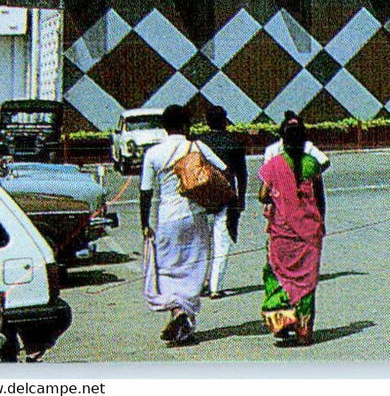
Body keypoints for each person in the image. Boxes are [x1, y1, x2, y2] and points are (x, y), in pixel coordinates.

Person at [139, 104, 229, 346]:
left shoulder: (153, 154)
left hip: (167, 218)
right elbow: (223, 169)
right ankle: (185, 318)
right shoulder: (197, 147)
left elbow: (145, 192)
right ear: (186, 124)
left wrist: (144, 223)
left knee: (170, 268)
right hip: (195, 215)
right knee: (193, 267)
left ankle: (178, 314)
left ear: (164, 127)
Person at [258, 115, 326, 346]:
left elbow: (261, 195)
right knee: (306, 281)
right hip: (309, 231)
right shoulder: (312, 164)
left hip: (281, 232)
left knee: (277, 275)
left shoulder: (273, 166)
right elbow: (320, 198)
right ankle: (304, 330)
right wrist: (320, 224)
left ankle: (281, 323)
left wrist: (280, 194)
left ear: (283, 141)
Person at [197, 105, 247, 299]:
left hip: (201, 197)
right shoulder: (234, 142)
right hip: (226, 196)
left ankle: (200, 283)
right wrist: (240, 199)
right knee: (222, 242)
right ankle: (215, 287)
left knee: (202, 244)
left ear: (207, 122)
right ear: (225, 121)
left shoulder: (199, 143)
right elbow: (242, 174)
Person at [262, 111, 331, 174]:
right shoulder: (272, 150)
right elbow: (267, 173)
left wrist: (311, 175)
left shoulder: (308, 147)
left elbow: (325, 162)